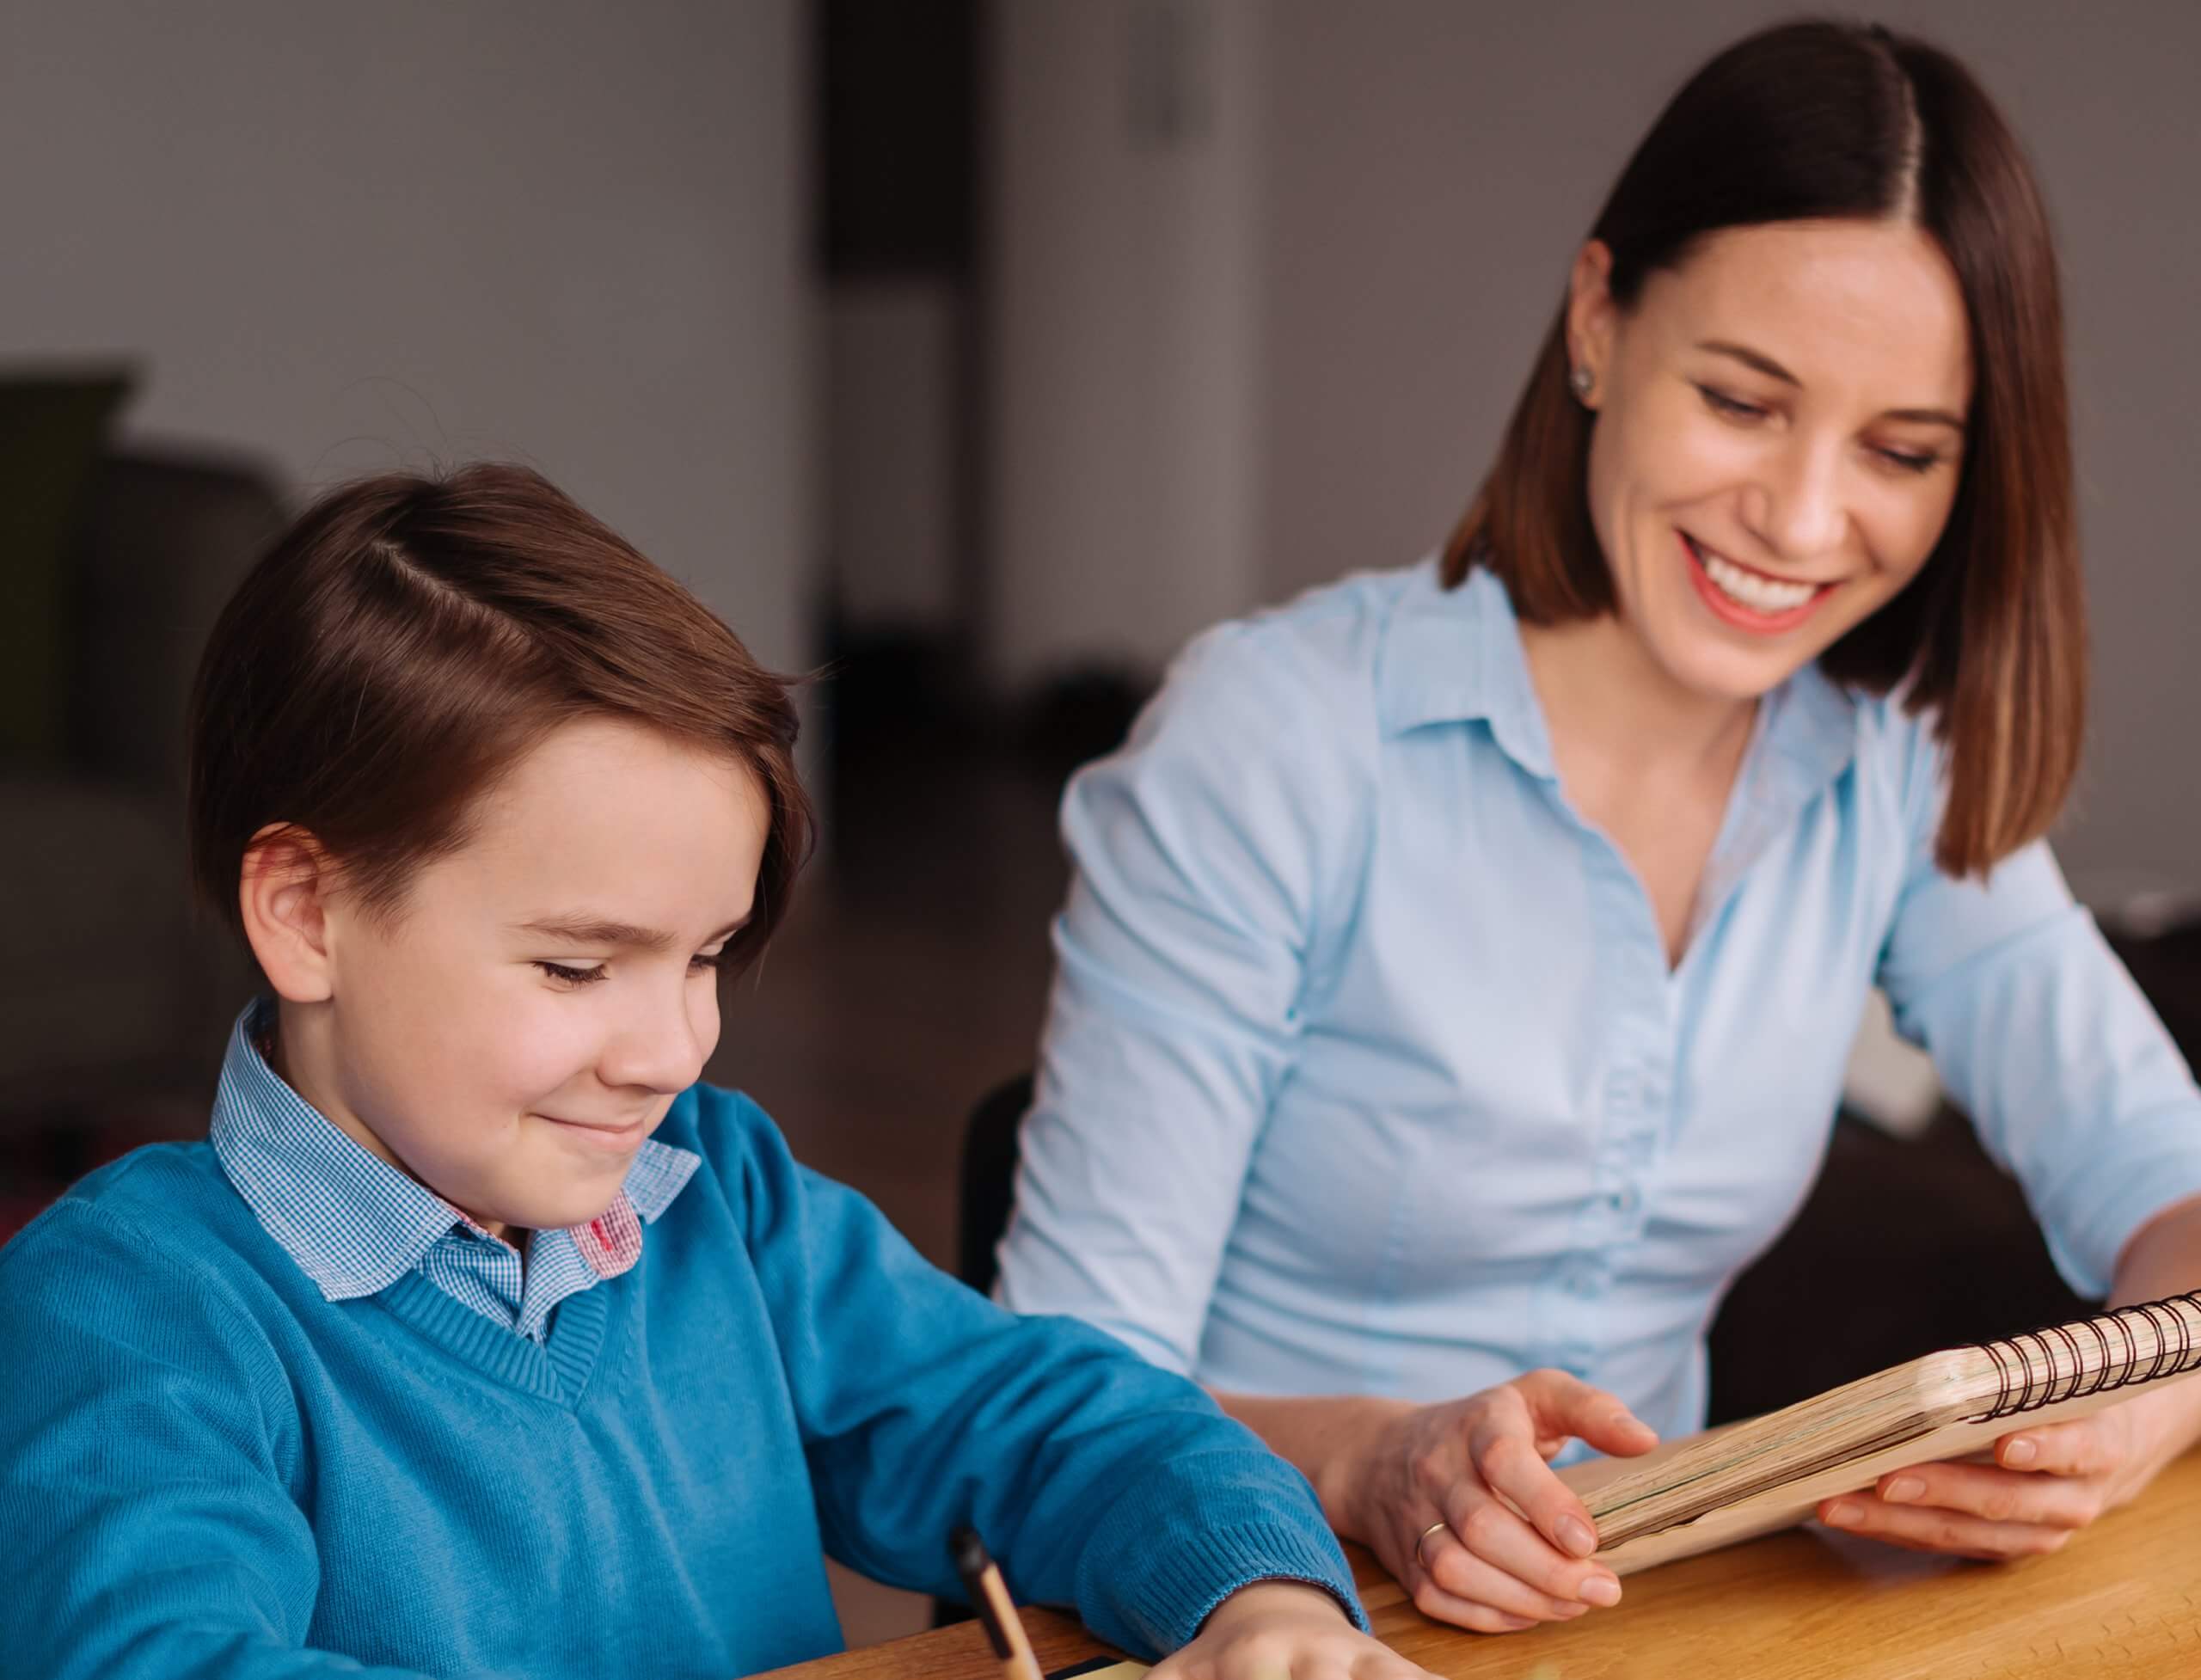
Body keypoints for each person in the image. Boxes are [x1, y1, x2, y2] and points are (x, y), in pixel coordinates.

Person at [993, 16, 2201, 1639]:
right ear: (1597, 322)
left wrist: (2142, 1407)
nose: (1802, 519)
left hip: (1638, 1616)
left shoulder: (1894, 761)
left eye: (1902, 451)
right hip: (1234, 1601)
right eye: (1742, 399)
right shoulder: (1276, 739)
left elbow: (2165, 1175)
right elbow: (1061, 1389)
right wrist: (1368, 1461)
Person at [0, 465, 1436, 1680]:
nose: (674, 1049)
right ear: (308, 914)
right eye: (577, 965)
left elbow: (1048, 1416)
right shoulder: (128, 1308)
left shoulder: (719, 1197)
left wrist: (1265, 1604)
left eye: (706, 959)